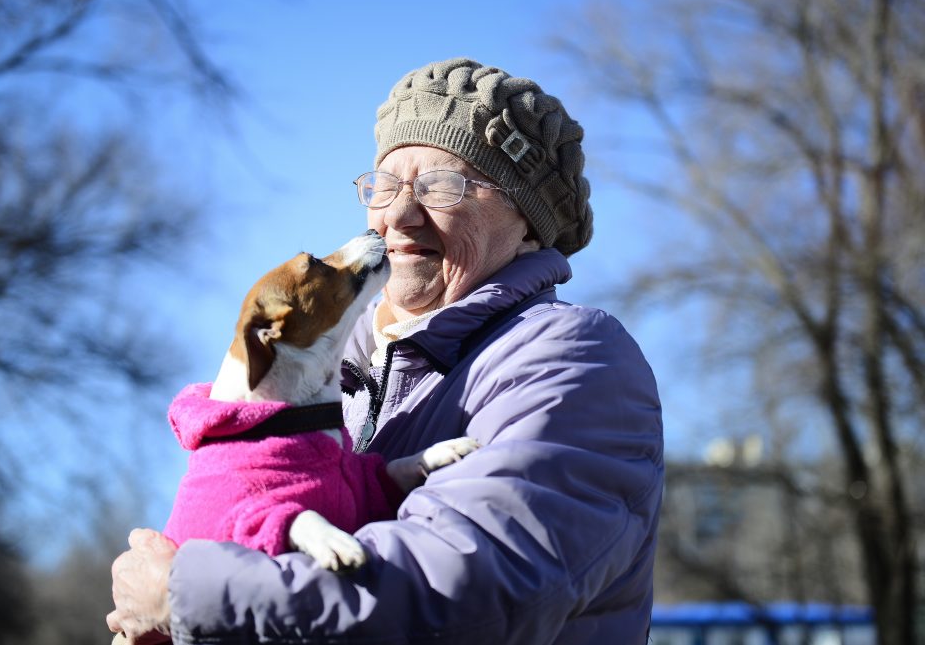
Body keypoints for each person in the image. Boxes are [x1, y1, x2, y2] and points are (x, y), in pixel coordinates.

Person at [108, 57, 663, 644]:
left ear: (526, 224)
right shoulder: (324, 369)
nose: (396, 215)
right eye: (386, 184)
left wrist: (189, 593)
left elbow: (463, 590)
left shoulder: (573, 359)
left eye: (443, 185)